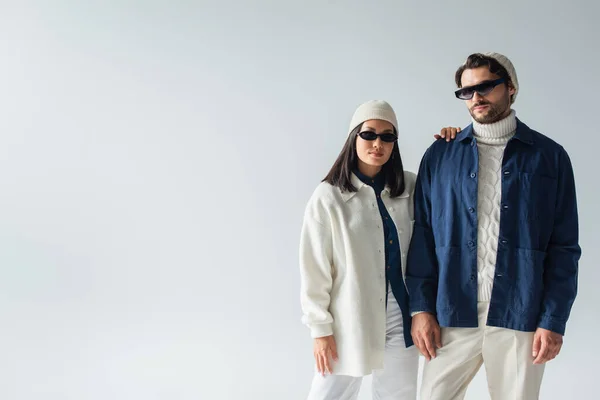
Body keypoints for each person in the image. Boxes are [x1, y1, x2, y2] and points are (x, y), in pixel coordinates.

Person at [406, 52, 581, 400]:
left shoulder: (550, 157)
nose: (476, 97)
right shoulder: (441, 155)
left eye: (486, 86)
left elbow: (564, 247)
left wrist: (553, 319)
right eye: (467, 92)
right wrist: (421, 308)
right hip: (452, 310)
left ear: (511, 88)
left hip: (521, 311)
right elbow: (423, 235)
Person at [299, 100, 459, 399]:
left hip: (403, 315)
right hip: (351, 315)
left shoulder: (410, 186)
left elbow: (451, 193)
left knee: (398, 394)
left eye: (388, 136)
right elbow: (315, 269)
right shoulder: (329, 197)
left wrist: (453, 146)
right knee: (329, 393)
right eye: (369, 134)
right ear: (354, 137)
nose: (378, 143)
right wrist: (320, 330)